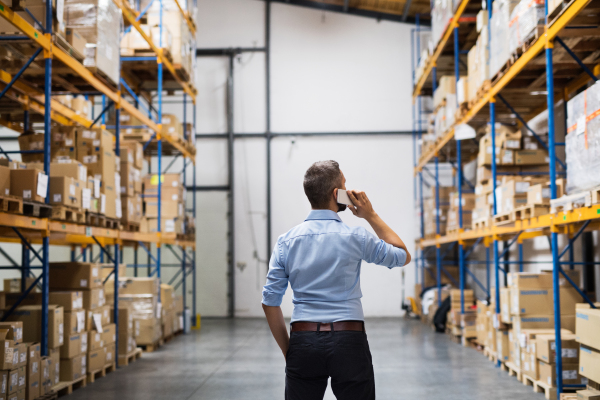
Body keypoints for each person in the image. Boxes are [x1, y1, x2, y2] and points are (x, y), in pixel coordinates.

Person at [261, 160, 411, 400]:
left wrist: (290, 350)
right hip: (349, 340)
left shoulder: (286, 241)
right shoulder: (356, 237)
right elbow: (402, 256)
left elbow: (269, 302)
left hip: (303, 340)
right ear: (336, 194)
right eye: (344, 184)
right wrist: (370, 215)